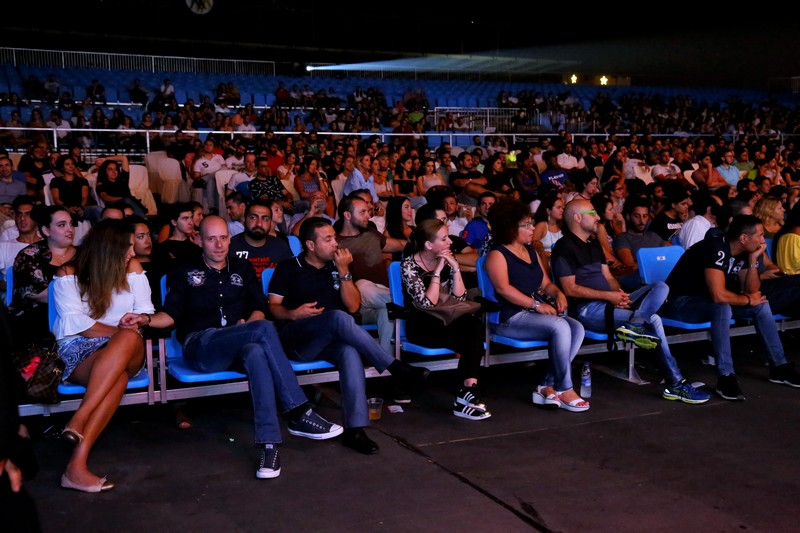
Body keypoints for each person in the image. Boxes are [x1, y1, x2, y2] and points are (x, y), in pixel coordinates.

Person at [122, 215, 343, 479]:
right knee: (261, 332)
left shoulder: (242, 268)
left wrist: (247, 326)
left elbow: (259, 309)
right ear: (199, 240)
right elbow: (171, 314)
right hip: (201, 346)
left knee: (257, 352)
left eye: (223, 238)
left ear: (230, 238)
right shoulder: (184, 269)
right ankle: (298, 411)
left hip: (237, 343)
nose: (218, 245)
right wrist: (146, 319)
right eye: (211, 238)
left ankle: (268, 446)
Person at [268, 217, 430, 454]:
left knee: (349, 351)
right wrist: (293, 313)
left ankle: (354, 429)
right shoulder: (288, 268)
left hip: (329, 341)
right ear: (310, 245)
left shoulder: (339, 266)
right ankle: (395, 367)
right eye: (328, 239)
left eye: (334, 237)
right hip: (297, 339)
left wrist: (343, 271)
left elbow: (353, 306)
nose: (336, 243)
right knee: (338, 317)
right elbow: (273, 306)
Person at [550, 199, 710, 404]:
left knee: (661, 286)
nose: (598, 217)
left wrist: (621, 296)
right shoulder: (563, 247)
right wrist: (610, 297)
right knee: (653, 320)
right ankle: (675, 383)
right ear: (577, 217)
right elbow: (570, 289)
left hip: (610, 302)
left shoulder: (593, 243)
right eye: (593, 212)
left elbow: (608, 277)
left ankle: (636, 323)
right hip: (586, 309)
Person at [49, 219, 153, 492]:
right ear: (109, 249)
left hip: (129, 349)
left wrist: (123, 333)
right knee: (115, 378)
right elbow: (75, 325)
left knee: (129, 337)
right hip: (81, 350)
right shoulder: (67, 274)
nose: (132, 253)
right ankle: (76, 468)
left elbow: (145, 313)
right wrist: (117, 331)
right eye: (127, 247)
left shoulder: (132, 269)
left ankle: (80, 416)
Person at [662, 214, 800, 400]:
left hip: (706, 302)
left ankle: (780, 367)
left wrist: (753, 260)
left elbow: (751, 290)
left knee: (761, 305)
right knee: (724, 307)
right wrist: (748, 300)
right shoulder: (715, 248)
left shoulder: (744, 251)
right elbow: (718, 295)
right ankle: (726, 377)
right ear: (743, 238)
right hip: (679, 302)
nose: (762, 240)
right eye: (759, 235)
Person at [485, 198, 588, 411]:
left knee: (576, 327)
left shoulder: (530, 251)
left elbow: (545, 284)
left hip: (533, 316)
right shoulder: (497, 255)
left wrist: (559, 293)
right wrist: (536, 306)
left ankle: (546, 385)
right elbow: (504, 289)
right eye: (526, 225)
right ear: (510, 227)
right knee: (560, 326)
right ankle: (565, 388)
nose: (533, 228)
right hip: (509, 318)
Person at [401, 218, 490, 419]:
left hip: (445, 320)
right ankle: (465, 396)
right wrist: (438, 271)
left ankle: (468, 389)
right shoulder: (409, 265)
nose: (450, 241)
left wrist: (456, 268)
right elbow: (427, 304)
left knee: (472, 325)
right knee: (470, 339)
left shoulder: (449, 260)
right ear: (429, 245)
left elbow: (458, 298)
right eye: (444, 239)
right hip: (422, 325)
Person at [9, 205, 76, 352]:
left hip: (78, 318)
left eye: (71, 223)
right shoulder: (29, 255)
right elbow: (39, 294)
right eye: (61, 225)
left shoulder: (84, 255)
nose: (70, 229)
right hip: (38, 321)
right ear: (46, 231)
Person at [229, 199, 293, 282]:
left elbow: (291, 279)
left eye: (265, 219)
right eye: (253, 218)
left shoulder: (280, 246)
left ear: (270, 222)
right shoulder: (231, 246)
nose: (259, 223)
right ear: (245, 219)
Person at [613, 195, 670, 276]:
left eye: (645, 216)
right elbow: (631, 265)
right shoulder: (622, 238)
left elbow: (670, 255)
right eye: (637, 216)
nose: (642, 221)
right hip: (640, 278)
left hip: (662, 274)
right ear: (628, 216)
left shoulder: (653, 235)